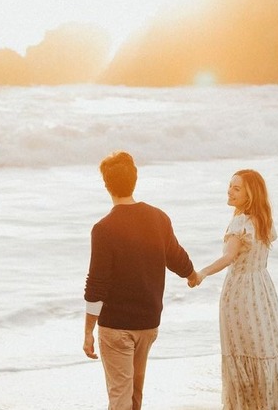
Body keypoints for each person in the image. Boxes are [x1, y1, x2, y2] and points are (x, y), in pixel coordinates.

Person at [83, 151, 198, 410]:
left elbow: (97, 285)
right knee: (135, 396)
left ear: (106, 185)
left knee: (120, 399)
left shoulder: (103, 228)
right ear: (135, 179)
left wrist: (88, 330)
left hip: (116, 328)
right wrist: (191, 275)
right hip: (148, 324)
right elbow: (175, 257)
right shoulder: (158, 218)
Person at [190, 169, 278, 409]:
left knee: (244, 352)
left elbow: (229, 257)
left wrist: (202, 273)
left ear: (250, 195)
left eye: (236, 188)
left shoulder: (240, 223)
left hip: (240, 293)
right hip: (263, 291)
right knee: (265, 348)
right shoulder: (263, 221)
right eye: (230, 186)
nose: (229, 191)